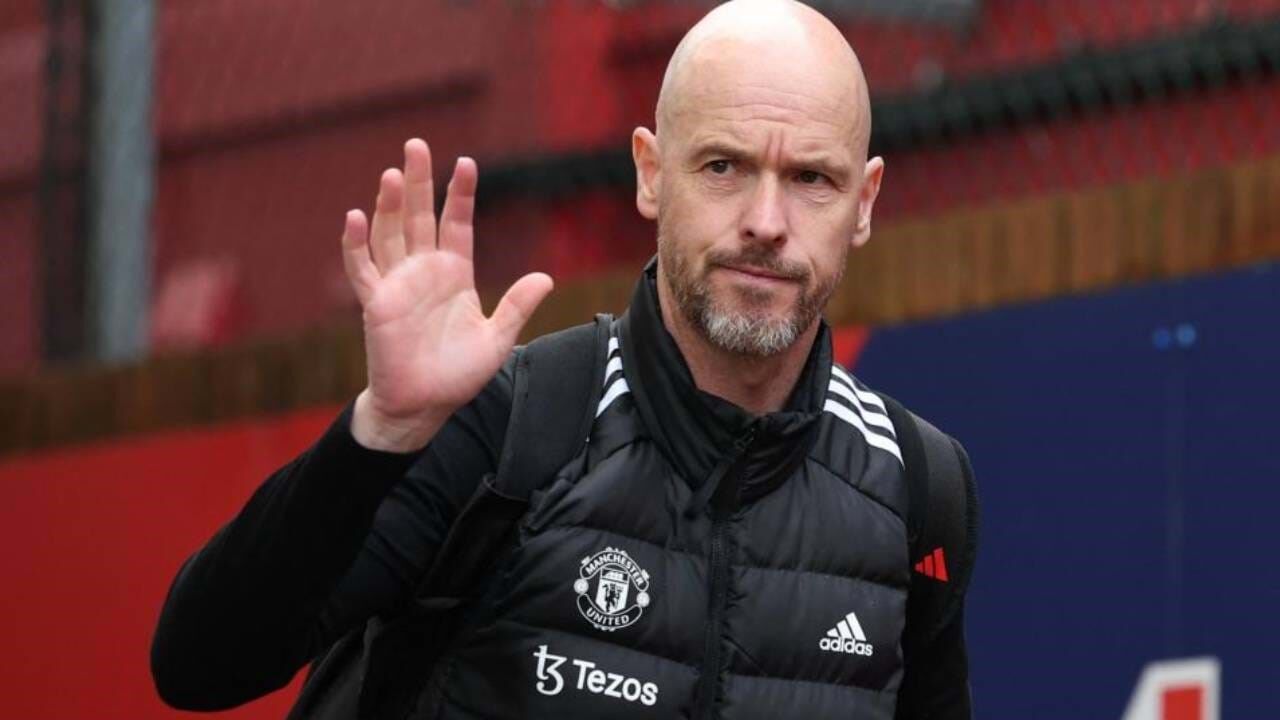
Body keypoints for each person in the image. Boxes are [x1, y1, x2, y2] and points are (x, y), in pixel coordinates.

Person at [151, 1, 977, 718]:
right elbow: (199, 667)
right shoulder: (504, 426)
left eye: (811, 178)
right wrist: (382, 432)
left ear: (863, 203)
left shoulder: (918, 487)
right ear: (651, 175)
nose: (766, 220)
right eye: (723, 166)